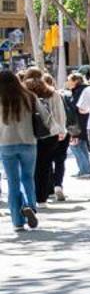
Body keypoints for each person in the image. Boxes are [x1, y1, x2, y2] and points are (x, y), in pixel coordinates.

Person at [0, 70, 39, 231]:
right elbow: (43, 116)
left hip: (6, 143)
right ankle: (30, 205)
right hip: (28, 142)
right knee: (28, 177)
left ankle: (17, 220)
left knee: (12, 181)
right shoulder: (29, 96)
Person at [23, 69, 67, 204]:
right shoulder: (52, 93)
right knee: (45, 165)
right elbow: (60, 113)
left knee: (29, 167)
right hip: (49, 134)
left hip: (27, 134)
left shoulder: (23, 93)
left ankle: (30, 196)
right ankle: (42, 197)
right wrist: (61, 130)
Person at [63, 71, 90, 181]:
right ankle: (85, 169)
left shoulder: (79, 91)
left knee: (76, 146)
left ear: (76, 81)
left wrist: (68, 100)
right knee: (81, 146)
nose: (67, 83)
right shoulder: (84, 89)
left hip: (78, 123)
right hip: (84, 122)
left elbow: (75, 106)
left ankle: (85, 170)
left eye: (69, 80)